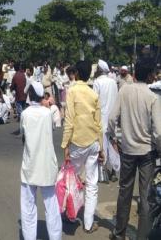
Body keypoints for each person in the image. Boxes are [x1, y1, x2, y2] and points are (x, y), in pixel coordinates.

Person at [108, 60, 161, 240]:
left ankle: (119, 233)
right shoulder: (152, 97)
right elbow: (158, 132)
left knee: (125, 191)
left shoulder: (124, 91)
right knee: (146, 196)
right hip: (147, 152)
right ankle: (142, 236)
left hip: (128, 150)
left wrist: (113, 138)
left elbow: (111, 119)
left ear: (135, 74)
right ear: (149, 76)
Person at [61, 60, 104, 233]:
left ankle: (70, 216)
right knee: (92, 184)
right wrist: (101, 148)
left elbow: (69, 120)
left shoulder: (72, 91)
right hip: (93, 142)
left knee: (72, 180)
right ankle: (88, 223)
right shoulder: (93, 94)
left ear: (76, 73)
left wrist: (65, 145)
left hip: (77, 143)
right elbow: (99, 124)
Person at [20, 81, 62, 240]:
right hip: (47, 165)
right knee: (51, 205)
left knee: (28, 206)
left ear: (30, 95)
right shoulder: (47, 113)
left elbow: (24, 137)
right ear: (41, 96)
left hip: (30, 165)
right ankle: (55, 237)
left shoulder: (25, 114)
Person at [93, 59, 119, 182]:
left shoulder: (97, 82)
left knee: (102, 145)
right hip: (113, 118)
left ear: (99, 70)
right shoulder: (113, 82)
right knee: (114, 144)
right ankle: (114, 171)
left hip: (101, 118)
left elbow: (94, 101)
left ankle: (102, 173)